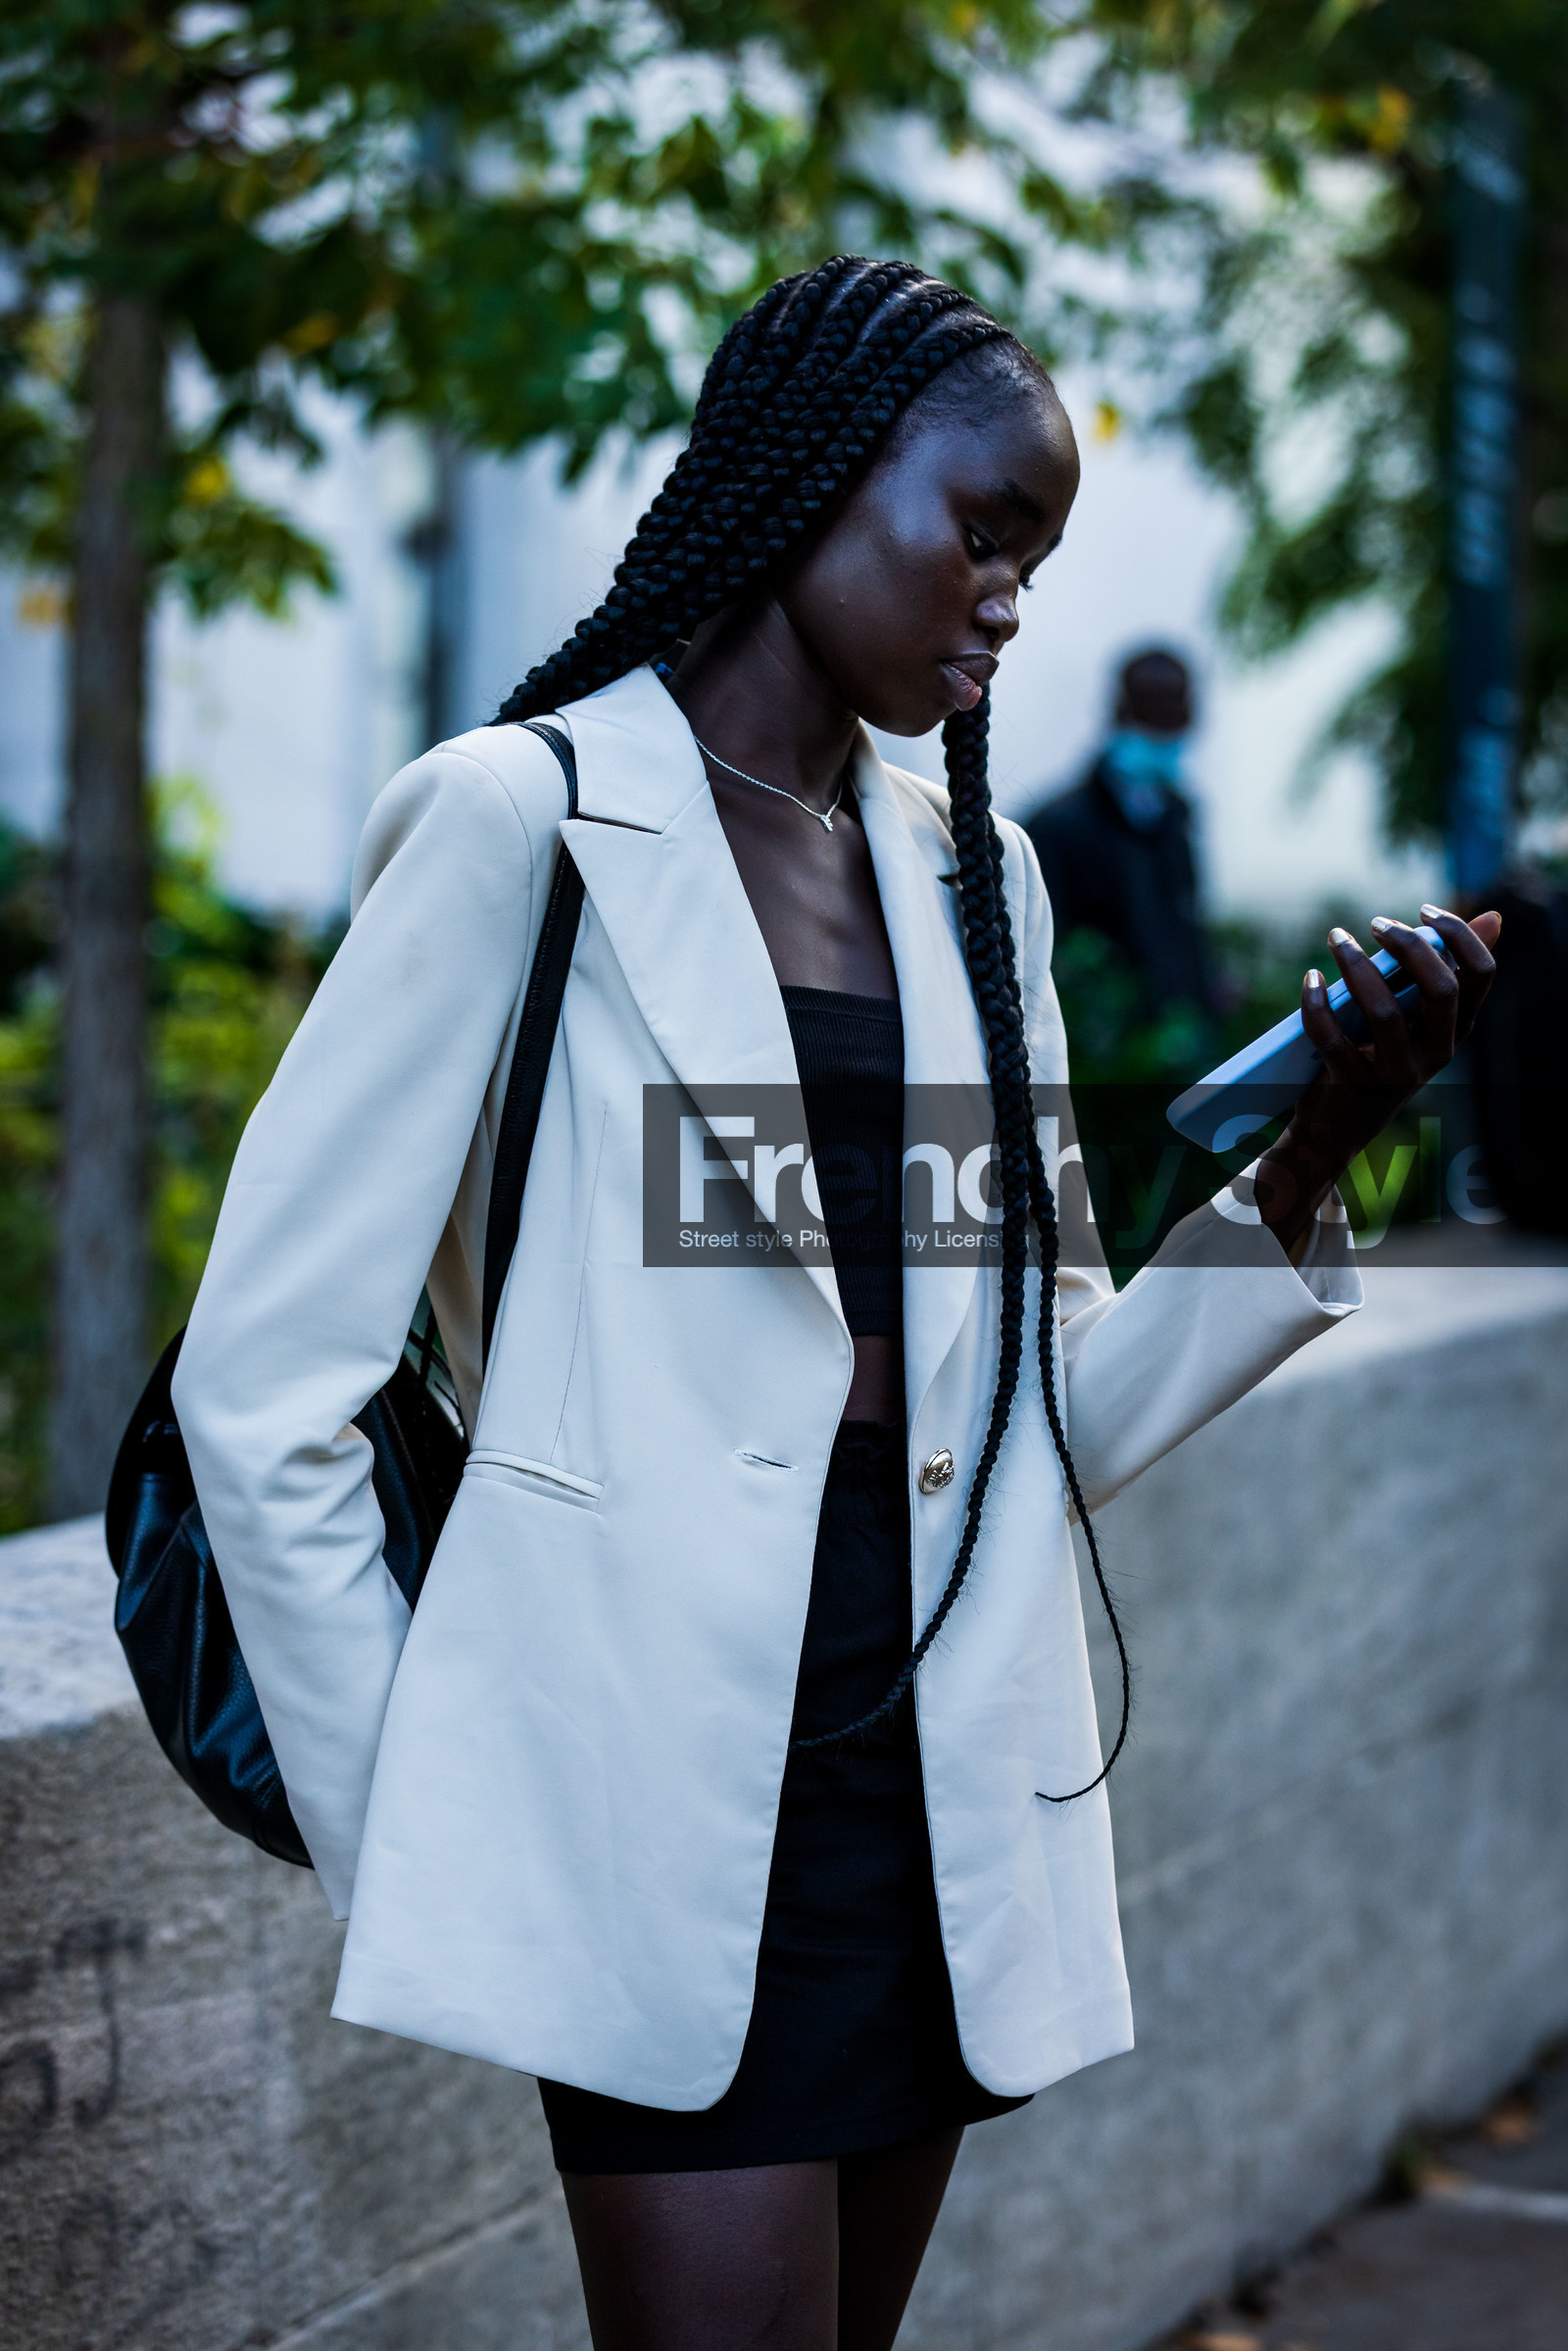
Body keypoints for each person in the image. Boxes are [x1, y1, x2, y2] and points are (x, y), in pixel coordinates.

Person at [172, 258, 1499, 2351]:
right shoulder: (523, 823)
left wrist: (1315, 1145)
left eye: (1035, 559)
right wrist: (418, 1820)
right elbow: (265, 1389)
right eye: (983, 529)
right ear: (816, 476)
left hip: (932, 1775)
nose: (1008, 600)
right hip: (639, 1793)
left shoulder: (976, 881)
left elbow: (1053, 1408)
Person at [1025, 646, 1212, 1020]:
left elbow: (1186, 927)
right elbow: (1045, 955)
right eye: (1153, 713)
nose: (1165, 730)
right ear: (1121, 711)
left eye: (1175, 713)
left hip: (1175, 1035)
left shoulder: (1175, 817)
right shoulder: (1057, 828)